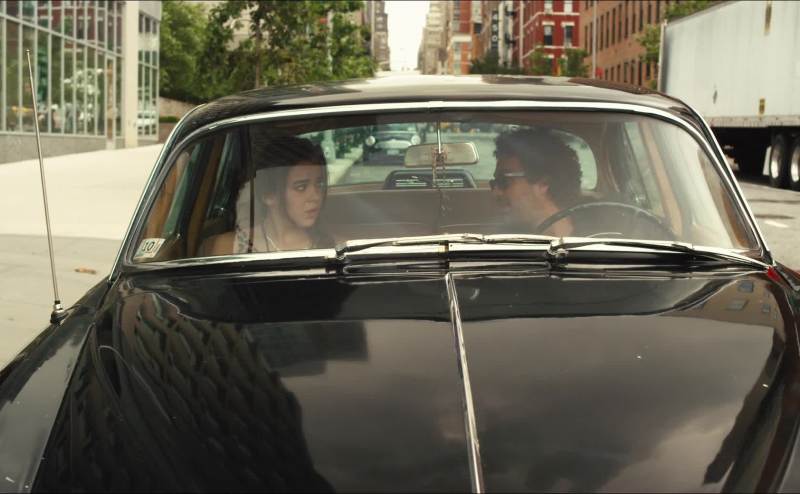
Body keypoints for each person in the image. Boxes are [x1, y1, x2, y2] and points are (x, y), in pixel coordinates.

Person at [201, 135, 332, 256]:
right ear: (268, 195)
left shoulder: (330, 247)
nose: (316, 197)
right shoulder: (229, 247)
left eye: (319, 184)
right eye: (301, 187)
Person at [490, 128, 582, 237]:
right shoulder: (502, 240)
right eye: (493, 183)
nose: (496, 193)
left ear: (543, 183)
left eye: (503, 181)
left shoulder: (596, 235)